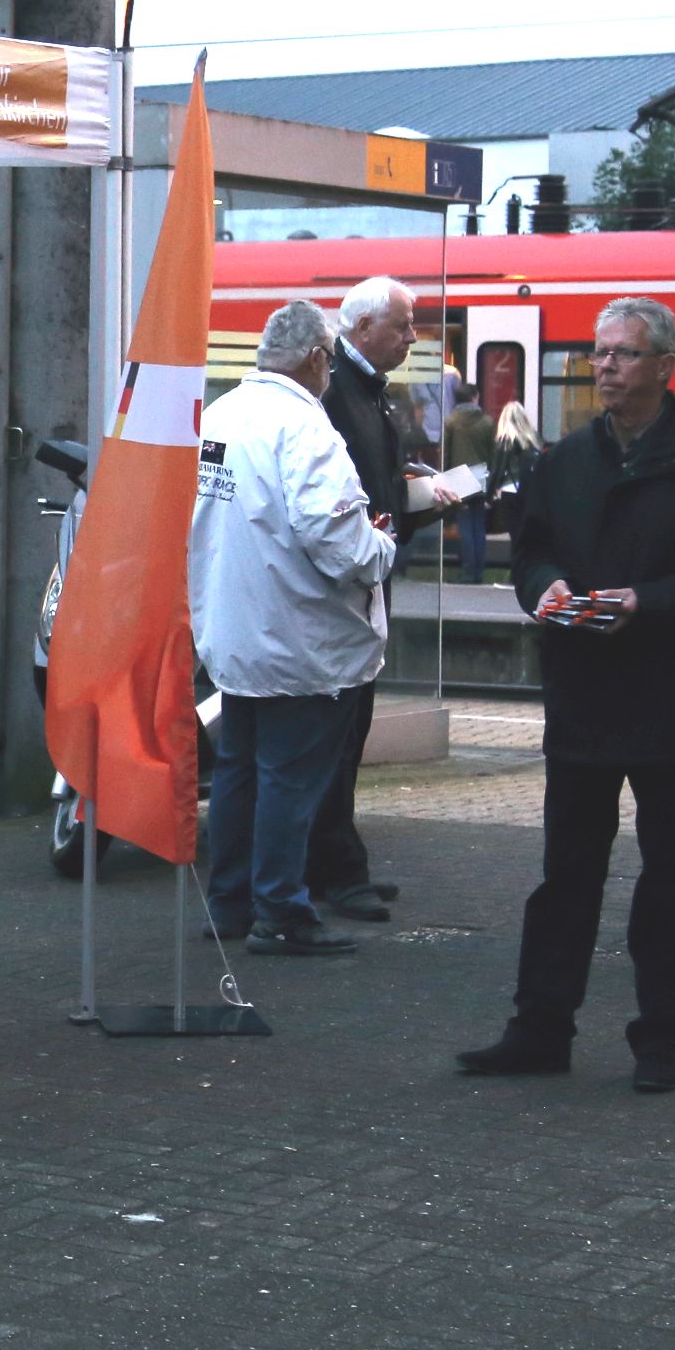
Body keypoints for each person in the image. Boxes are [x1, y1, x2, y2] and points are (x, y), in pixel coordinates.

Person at [456, 296, 675, 1094]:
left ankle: (659, 1039)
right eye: (599, 354)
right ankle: (539, 1030)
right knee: (567, 875)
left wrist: (647, 603)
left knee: (669, 876)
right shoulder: (565, 462)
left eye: (623, 355)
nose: (604, 368)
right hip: (584, 695)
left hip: (668, 696)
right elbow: (527, 555)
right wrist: (546, 589)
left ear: (666, 367)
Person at [191, 300, 397, 957]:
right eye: (330, 362)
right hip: (299, 639)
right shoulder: (306, 430)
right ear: (315, 358)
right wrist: (380, 549)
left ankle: (228, 901)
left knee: (237, 771)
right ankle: (280, 910)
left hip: (232, 631)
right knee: (288, 778)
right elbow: (336, 540)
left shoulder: (217, 419)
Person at [305, 276, 456, 922]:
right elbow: (340, 501)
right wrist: (395, 504)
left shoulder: (364, 392)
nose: (413, 336)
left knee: (349, 729)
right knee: (335, 733)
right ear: (362, 329)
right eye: (403, 325)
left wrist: (409, 490)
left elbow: (371, 487)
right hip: (341, 595)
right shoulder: (341, 393)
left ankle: (336, 863)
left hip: (364, 587)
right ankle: (334, 871)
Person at [444, 380, 495, 583]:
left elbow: (446, 454)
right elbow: (492, 454)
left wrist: (445, 478)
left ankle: (467, 570)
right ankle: (479, 572)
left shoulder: (450, 422)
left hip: (458, 478)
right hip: (480, 476)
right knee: (478, 526)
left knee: (465, 526)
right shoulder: (487, 422)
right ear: (474, 398)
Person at [485, 400, 544, 539]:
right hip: (531, 489)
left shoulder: (505, 439)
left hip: (510, 491)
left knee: (515, 533)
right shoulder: (534, 438)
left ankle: (518, 559)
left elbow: (497, 470)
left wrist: (488, 497)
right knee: (528, 533)